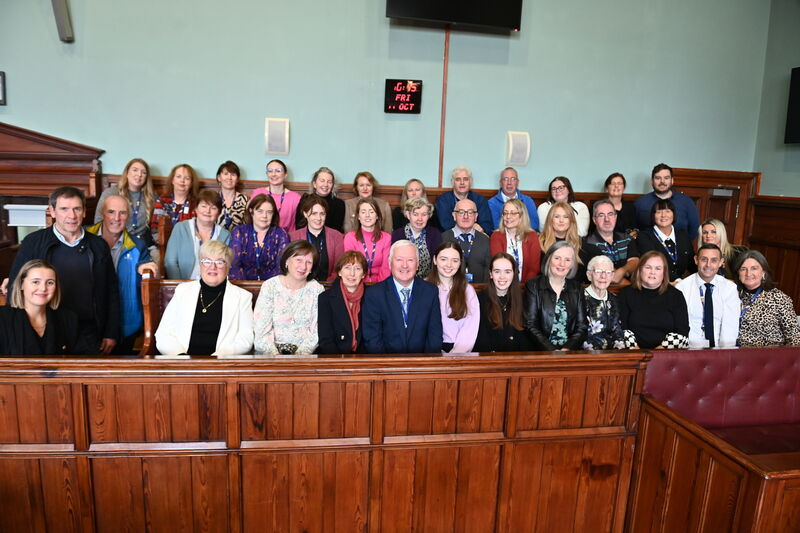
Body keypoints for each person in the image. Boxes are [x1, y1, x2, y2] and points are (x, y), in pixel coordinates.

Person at [3, 187, 119, 355]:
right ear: (52, 211)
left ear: (84, 212)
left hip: (88, 330)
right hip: (46, 329)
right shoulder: (33, 242)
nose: (71, 216)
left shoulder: (98, 245)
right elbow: (15, 287)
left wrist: (111, 332)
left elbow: (111, 291)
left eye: (77, 209)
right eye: (64, 209)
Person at [86, 194, 158, 354]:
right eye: (111, 212)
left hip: (125, 323)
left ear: (129, 216)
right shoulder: (84, 237)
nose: (116, 218)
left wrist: (146, 269)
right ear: (102, 213)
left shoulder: (138, 245)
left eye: (123, 213)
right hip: (88, 323)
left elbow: (146, 272)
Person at [155, 241, 253, 355]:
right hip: (183, 364)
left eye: (220, 262)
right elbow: (163, 334)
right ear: (200, 265)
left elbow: (246, 340)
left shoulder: (243, 297)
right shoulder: (182, 291)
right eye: (207, 261)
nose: (213, 267)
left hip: (221, 365)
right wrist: (181, 358)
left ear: (228, 266)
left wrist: (215, 360)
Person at [361, 240, 443, 354]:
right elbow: (372, 338)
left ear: (418, 264)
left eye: (410, 260)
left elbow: (434, 336)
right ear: (390, 263)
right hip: (386, 366)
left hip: (423, 365)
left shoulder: (430, 292)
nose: (405, 265)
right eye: (399, 259)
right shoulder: (374, 294)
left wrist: (425, 365)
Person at [0, 260, 89, 355]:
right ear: (21, 284)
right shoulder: (2, 318)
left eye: (50, 283)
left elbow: (81, 359)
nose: (43, 288)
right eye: (35, 282)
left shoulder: (68, 318)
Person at [253, 240, 325, 355]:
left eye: (309, 262)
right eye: (298, 260)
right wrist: (275, 356)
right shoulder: (270, 286)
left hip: (305, 358)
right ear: (287, 261)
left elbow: (316, 331)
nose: (303, 266)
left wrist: (299, 357)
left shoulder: (317, 289)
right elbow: (261, 329)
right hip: (270, 356)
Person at [617, 251, 690, 349]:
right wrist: (637, 354)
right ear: (640, 270)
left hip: (666, 354)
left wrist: (659, 353)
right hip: (633, 354)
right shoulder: (626, 294)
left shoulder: (676, 295)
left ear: (664, 272)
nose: (652, 272)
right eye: (648, 267)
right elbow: (621, 329)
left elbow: (682, 331)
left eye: (658, 268)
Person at [523, 241, 587, 350]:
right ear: (548, 259)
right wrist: (552, 351)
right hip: (541, 352)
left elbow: (582, 327)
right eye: (557, 258)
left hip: (570, 352)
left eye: (567, 260)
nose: (562, 264)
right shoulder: (533, 285)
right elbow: (530, 325)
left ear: (572, 264)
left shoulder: (577, 288)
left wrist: (567, 349)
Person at [676, 244, 740, 348]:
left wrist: (724, 355)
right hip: (689, 349)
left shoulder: (730, 289)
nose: (708, 265)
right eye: (704, 259)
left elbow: (730, 328)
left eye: (714, 260)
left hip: (719, 350)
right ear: (696, 260)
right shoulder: (682, 288)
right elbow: (680, 326)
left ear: (721, 262)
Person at [736, 250, 800, 347]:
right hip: (735, 355)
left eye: (754, 268)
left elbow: (795, 337)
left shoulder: (778, 298)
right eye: (743, 269)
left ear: (763, 272)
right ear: (738, 273)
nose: (748, 273)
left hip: (769, 358)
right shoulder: (733, 295)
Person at [164, 189, 231, 279]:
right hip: (182, 285)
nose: (208, 211)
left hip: (213, 286)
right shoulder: (180, 228)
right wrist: (179, 286)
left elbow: (226, 265)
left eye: (213, 208)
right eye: (204, 206)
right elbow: (170, 262)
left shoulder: (225, 235)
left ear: (218, 213)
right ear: (196, 208)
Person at [427, 242, 479, 353]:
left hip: (459, 351)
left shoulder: (467, 290)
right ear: (435, 260)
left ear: (460, 263)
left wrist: (454, 356)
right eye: (443, 259)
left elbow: (470, 329)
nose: (449, 265)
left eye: (455, 260)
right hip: (428, 349)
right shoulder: (423, 287)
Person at [475, 253, 532, 352]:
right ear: (490, 274)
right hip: (490, 360)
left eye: (507, 272)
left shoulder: (524, 299)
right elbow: (481, 339)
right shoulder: (480, 299)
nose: (502, 277)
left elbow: (526, 337)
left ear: (514, 273)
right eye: (497, 271)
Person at [94, 158, 156, 246]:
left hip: (141, 245)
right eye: (135, 170)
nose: (139, 174)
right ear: (127, 173)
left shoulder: (151, 197)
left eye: (144, 172)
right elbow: (98, 221)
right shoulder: (111, 193)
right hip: (115, 242)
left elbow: (155, 227)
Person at [317, 251, 368, 354]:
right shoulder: (325, 298)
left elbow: (372, 336)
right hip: (335, 359)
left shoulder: (372, 297)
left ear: (363, 274)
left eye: (357, 268)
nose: (352, 273)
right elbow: (326, 340)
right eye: (347, 267)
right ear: (339, 272)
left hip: (364, 358)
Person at [229, 194, 289, 281]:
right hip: (242, 286)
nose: (264, 216)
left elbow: (282, 267)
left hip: (272, 287)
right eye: (260, 211)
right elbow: (234, 265)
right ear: (251, 211)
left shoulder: (280, 234)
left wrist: (267, 287)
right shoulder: (240, 232)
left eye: (269, 212)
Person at [634, 163, 700, 240]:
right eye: (658, 178)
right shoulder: (640, 203)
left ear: (672, 181)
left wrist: (683, 245)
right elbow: (635, 230)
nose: (662, 181)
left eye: (666, 178)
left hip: (679, 249)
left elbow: (694, 229)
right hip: (649, 250)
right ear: (652, 181)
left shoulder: (686, 202)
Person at [580, 199, 639, 285]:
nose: (607, 219)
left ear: (615, 217)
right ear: (594, 220)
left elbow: (635, 261)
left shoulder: (627, 238)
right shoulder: (587, 243)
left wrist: (623, 270)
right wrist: (632, 289)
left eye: (610, 214)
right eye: (601, 215)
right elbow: (609, 276)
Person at [289, 194, 344, 282]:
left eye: (322, 214)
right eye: (314, 213)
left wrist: (326, 285)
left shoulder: (336, 236)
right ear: (305, 214)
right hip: (302, 285)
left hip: (328, 286)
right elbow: (291, 268)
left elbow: (339, 268)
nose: (318, 218)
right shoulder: (293, 237)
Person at [635, 199, 693, 282]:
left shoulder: (682, 234)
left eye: (667, 211)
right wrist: (677, 281)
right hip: (656, 283)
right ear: (653, 216)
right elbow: (651, 264)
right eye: (658, 212)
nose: (663, 215)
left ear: (674, 214)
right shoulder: (644, 236)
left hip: (682, 283)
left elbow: (691, 263)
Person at [489, 198, 541, 283]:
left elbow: (533, 268)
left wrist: (525, 287)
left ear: (521, 215)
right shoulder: (496, 236)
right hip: (502, 284)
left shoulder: (532, 236)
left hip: (526, 286)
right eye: (505, 213)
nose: (508, 216)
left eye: (513, 213)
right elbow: (497, 266)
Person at [582, 255, 627, 350]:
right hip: (587, 355)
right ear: (589, 275)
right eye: (598, 272)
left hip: (613, 355)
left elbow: (618, 332)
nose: (603, 276)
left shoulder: (615, 299)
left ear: (612, 276)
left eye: (608, 272)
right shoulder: (580, 298)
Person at [390, 196, 442, 279]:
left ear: (429, 216)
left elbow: (438, 263)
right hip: (403, 279)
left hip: (428, 281)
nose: (420, 219)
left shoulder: (435, 234)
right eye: (415, 214)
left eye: (424, 214)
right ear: (408, 214)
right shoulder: (397, 235)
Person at [441, 199, 491, 282]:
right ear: (454, 215)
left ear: (476, 216)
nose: (466, 216)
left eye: (470, 212)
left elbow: (489, 269)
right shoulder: (443, 238)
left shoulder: (485, 240)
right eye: (461, 212)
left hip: (480, 290)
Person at [343, 197, 392, 282]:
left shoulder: (386, 238)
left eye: (371, 212)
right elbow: (351, 266)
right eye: (363, 212)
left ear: (377, 216)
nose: (367, 215)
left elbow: (386, 268)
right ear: (358, 216)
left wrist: (378, 287)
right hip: (356, 283)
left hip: (381, 284)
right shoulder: (350, 237)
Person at [434, 166, 493, 232]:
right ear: (452, 182)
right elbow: (446, 225)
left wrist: (480, 228)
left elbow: (487, 225)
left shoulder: (480, 200)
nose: (462, 183)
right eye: (458, 179)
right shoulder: (443, 200)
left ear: (470, 182)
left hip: (475, 238)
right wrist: (470, 227)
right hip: (451, 239)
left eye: (465, 179)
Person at [250, 159, 302, 233]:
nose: (273, 174)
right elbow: (249, 218)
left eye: (278, 171)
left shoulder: (295, 198)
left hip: (287, 239)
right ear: (267, 174)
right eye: (270, 171)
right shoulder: (258, 193)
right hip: (259, 237)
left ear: (285, 175)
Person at [151, 163, 199, 243]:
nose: (182, 181)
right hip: (163, 246)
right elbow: (155, 229)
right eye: (178, 177)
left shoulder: (196, 204)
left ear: (191, 183)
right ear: (172, 180)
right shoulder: (163, 201)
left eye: (187, 178)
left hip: (188, 246)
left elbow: (198, 231)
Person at [488, 167, 540, 231]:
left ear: (517, 182)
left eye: (513, 179)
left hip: (525, 237)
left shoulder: (528, 201)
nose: (509, 183)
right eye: (505, 179)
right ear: (500, 183)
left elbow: (534, 226)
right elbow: (495, 227)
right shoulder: (491, 203)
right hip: (502, 238)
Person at [294, 167, 345, 232]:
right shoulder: (305, 200)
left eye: (329, 182)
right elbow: (299, 226)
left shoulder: (339, 204)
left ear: (332, 185)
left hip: (329, 239)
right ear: (314, 184)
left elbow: (336, 230)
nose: (326, 185)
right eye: (322, 181)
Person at [216, 160, 248, 231]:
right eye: (226, 174)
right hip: (216, 239)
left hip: (238, 239)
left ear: (237, 179)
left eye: (233, 174)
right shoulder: (213, 198)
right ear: (219, 177)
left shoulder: (245, 200)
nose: (229, 178)